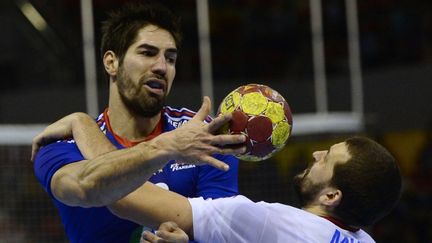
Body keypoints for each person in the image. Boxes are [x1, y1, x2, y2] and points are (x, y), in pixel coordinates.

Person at [32, 2, 245, 242]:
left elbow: (223, 230)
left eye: (171, 58)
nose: (162, 67)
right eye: (147, 53)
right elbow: (84, 185)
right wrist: (166, 147)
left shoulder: (202, 136)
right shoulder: (63, 143)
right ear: (111, 62)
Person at [33, 112, 402, 242]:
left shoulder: (266, 224)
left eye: (329, 159)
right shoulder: (363, 239)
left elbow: (120, 195)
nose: (317, 153)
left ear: (332, 196)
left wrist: (82, 123)